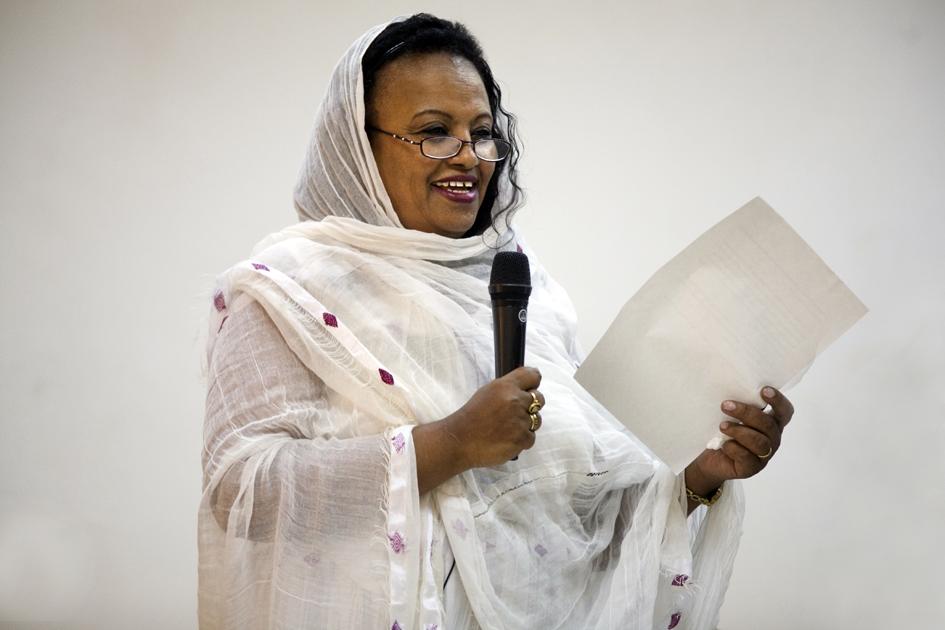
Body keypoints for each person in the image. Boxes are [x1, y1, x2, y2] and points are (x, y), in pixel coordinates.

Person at [198, 14, 794, 630]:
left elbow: (577, 522)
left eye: (482, 133)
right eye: (434, 132)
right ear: (358, 148)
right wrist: (451, 443)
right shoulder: (289, 291)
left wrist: (701, 473)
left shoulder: (528, 289)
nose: (469, 157)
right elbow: (241, 490)